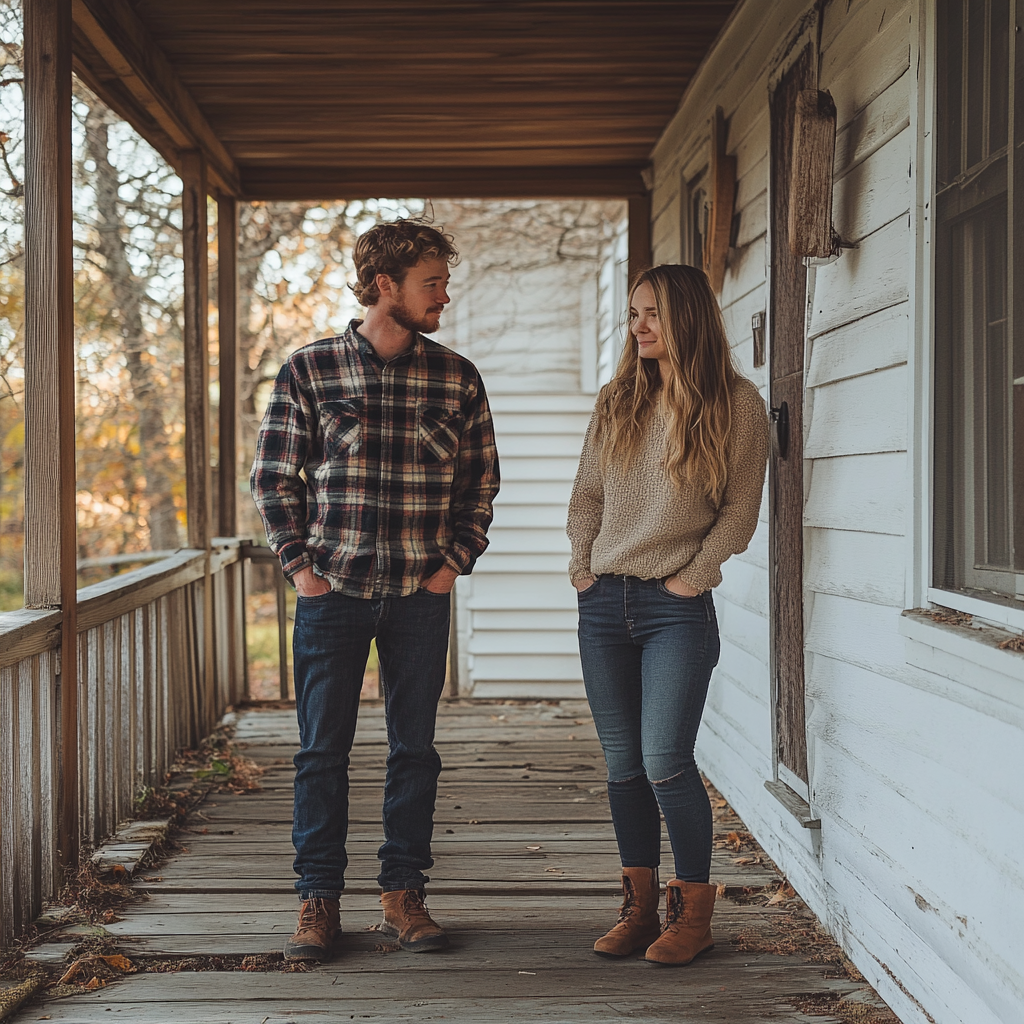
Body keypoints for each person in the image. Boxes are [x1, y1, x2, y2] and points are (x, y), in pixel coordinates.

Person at [250, 219, 499, 961]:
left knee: (413, 750)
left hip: (421, 596)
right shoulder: (310, 369)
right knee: (320, 753)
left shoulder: (456, 377)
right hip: (335, 594)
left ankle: (402, 895)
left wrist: (454, 562)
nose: (444, 296)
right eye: (433, 283)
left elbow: (480, 481)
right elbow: (272, 478)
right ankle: (317, 902)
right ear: (385, 284)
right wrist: (302, 569)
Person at [566, 264, 768, 966]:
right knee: (623, 766)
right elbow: (587, 495)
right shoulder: (617, 399)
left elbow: (741, 508)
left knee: (665, 762)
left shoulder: (736, 404)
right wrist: (583, 568)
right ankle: (639, 909)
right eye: (632, 313)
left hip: (674, 610)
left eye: (651, 313)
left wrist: (694, 578)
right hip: (604, 606)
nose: (638, 326)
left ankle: (692, 914)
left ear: (687, 318)